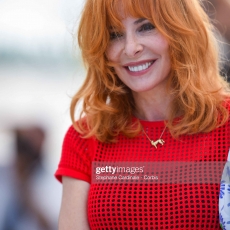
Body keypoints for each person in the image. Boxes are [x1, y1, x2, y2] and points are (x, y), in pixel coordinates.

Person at [55, 0, 230, 229]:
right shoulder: (84, 138)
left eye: (146, 27)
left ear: (181, 28)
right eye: (115, 34)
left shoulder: (225, 125)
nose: (130, 48)